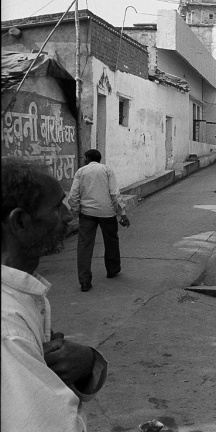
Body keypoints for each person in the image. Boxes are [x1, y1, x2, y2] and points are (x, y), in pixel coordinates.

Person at [2, 158, 108, 431]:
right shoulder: (9, 329)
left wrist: (87, 362)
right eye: (56, 207)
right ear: (20, 222)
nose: (68, 215)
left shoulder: (22, 295)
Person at [68, 149, 130, 292]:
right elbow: (114, 193)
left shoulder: (81, 172)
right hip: (107, 212)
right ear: (99, 158)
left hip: (87, 213)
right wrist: (122, 213)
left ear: (87, 158)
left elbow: (73, 195)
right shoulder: (107, 170)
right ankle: (112, 270)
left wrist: (76, 209)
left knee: (84, 246)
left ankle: (84, 281)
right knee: (111, 241)